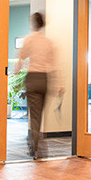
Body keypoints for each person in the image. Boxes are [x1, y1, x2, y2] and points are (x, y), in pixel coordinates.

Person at [15, 12, 59, 160]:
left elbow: (20, 59)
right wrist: (58, 84)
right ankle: (39, 145)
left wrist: (16, 76)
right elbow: (53, 64)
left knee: (33, 115)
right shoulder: (47, 42)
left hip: (32, 77)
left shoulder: (29, 40)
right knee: (39, 114)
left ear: (33, 23)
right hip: (44, 79)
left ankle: (35, 148)